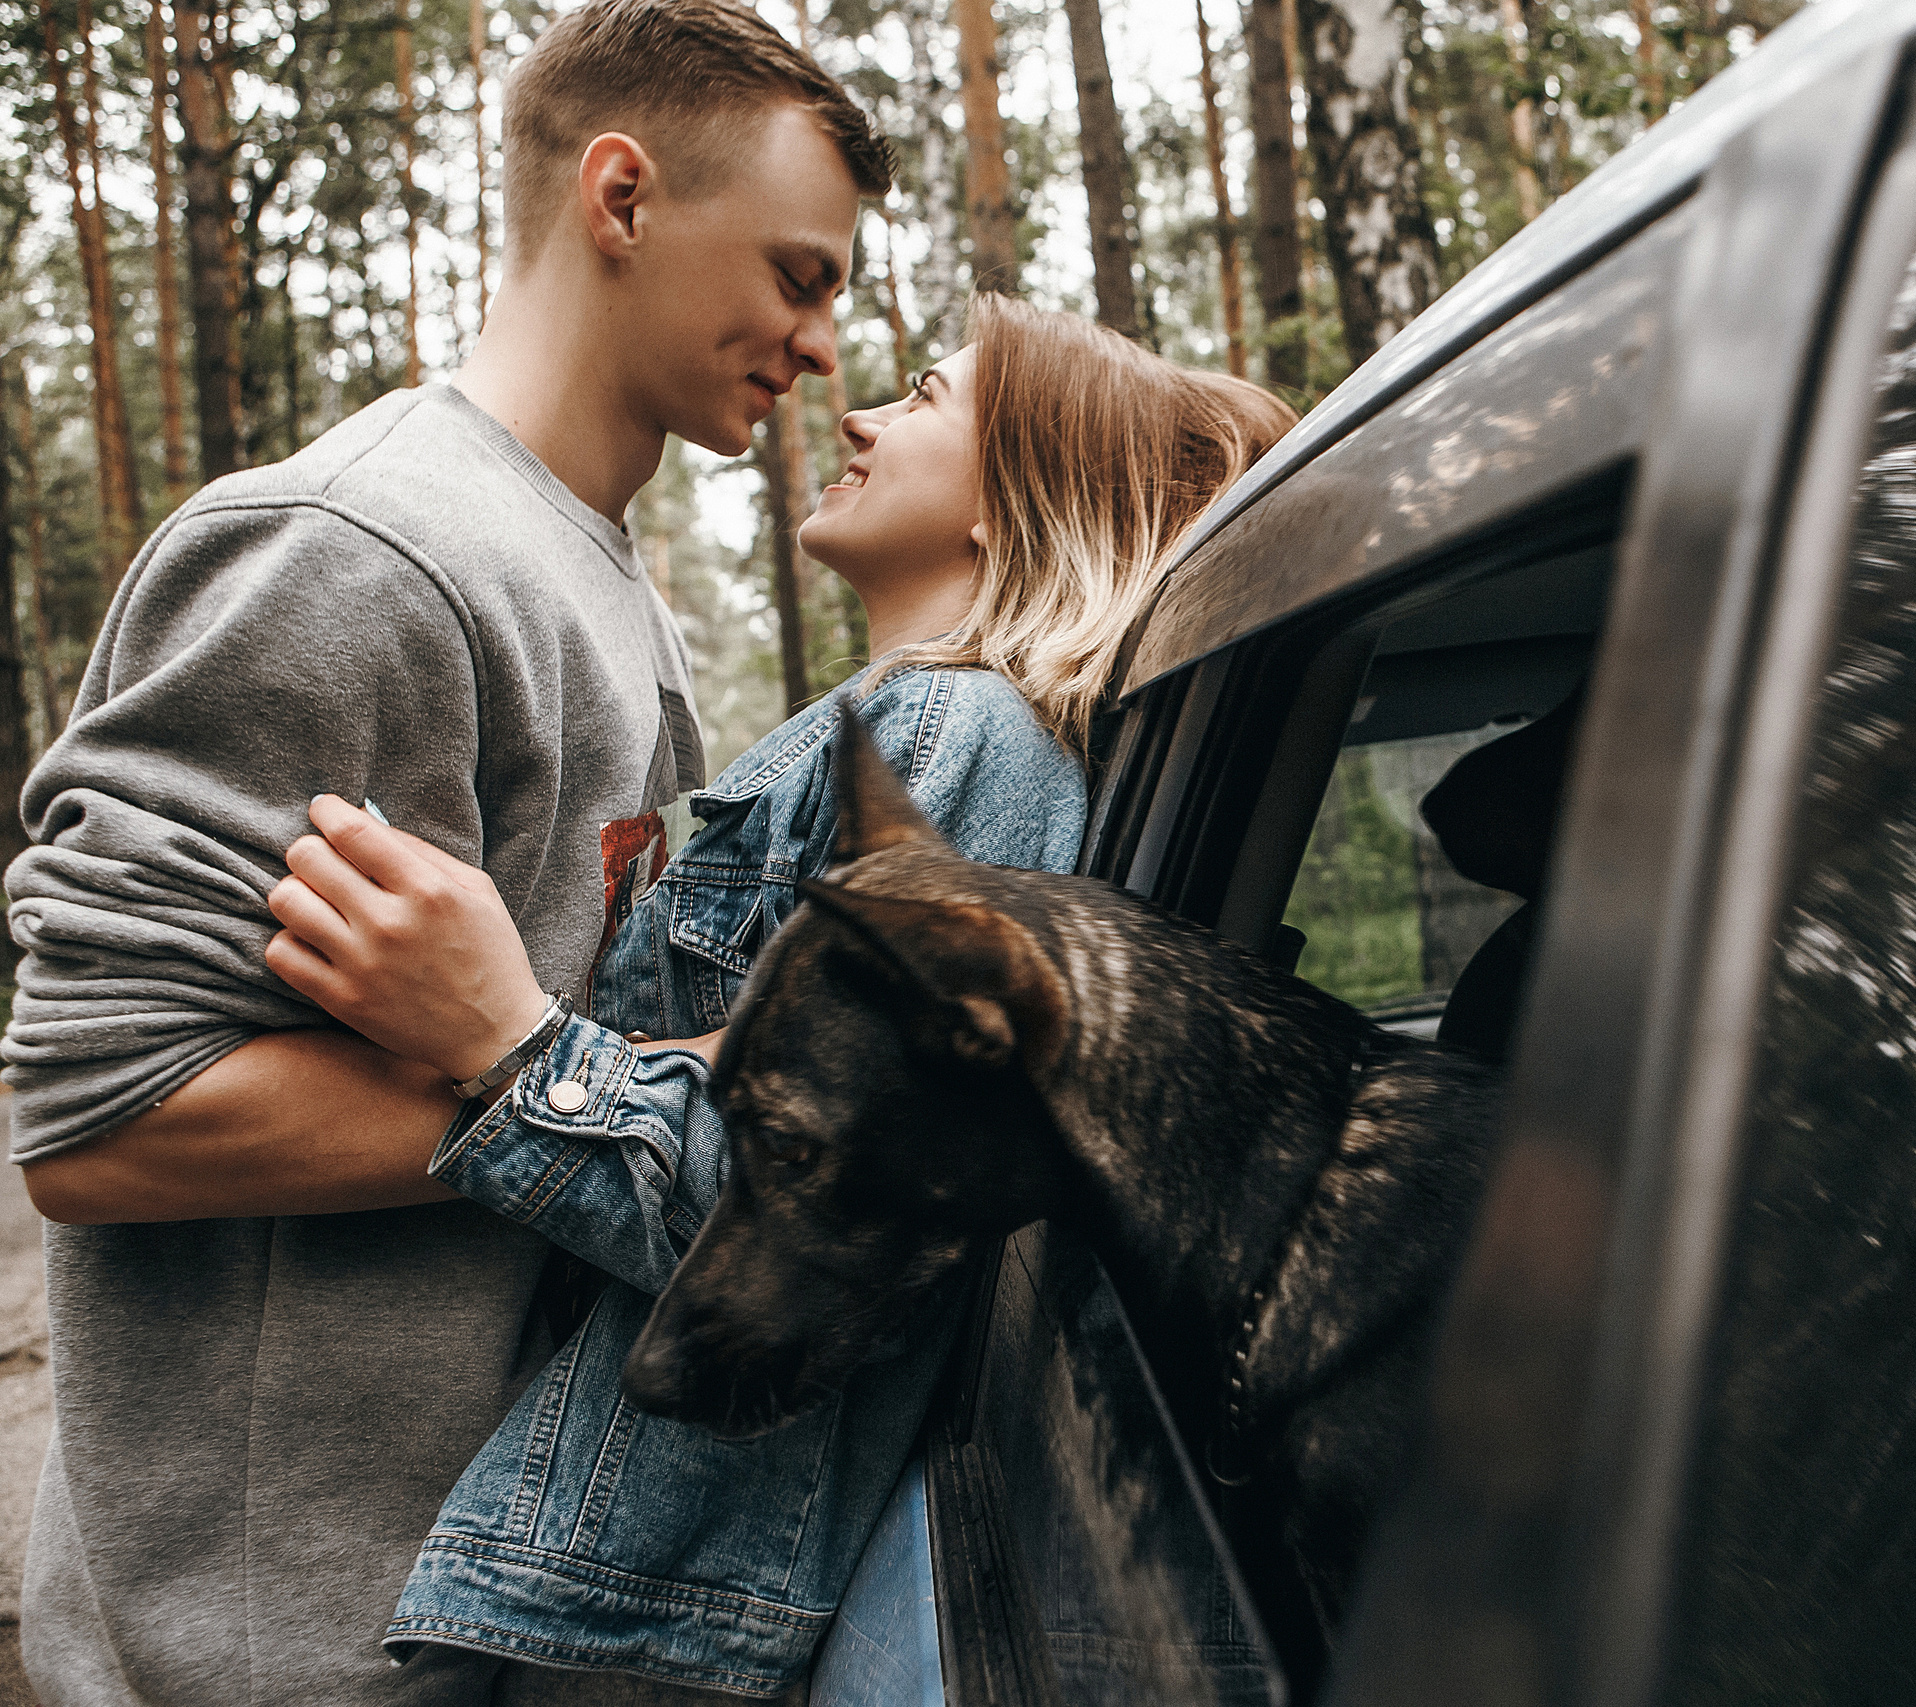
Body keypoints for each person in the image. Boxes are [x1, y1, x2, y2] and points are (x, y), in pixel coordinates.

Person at [0, 2, 890, 1701]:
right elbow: (97, 1121)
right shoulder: (359, 549)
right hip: (286, 1650)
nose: (821, 341)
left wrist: (582, 1071)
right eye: (798, 273)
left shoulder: (602, 580)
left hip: (474, 1611)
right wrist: (599, 1082)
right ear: (619, 198)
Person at [259, 295, 1298, 1699]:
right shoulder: (912, 729)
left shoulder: (964, 739)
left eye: (927, 396)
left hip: (668, 1576)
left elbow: (832, 1220)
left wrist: (505, 1042)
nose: (861, 412)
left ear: (1016, 499)